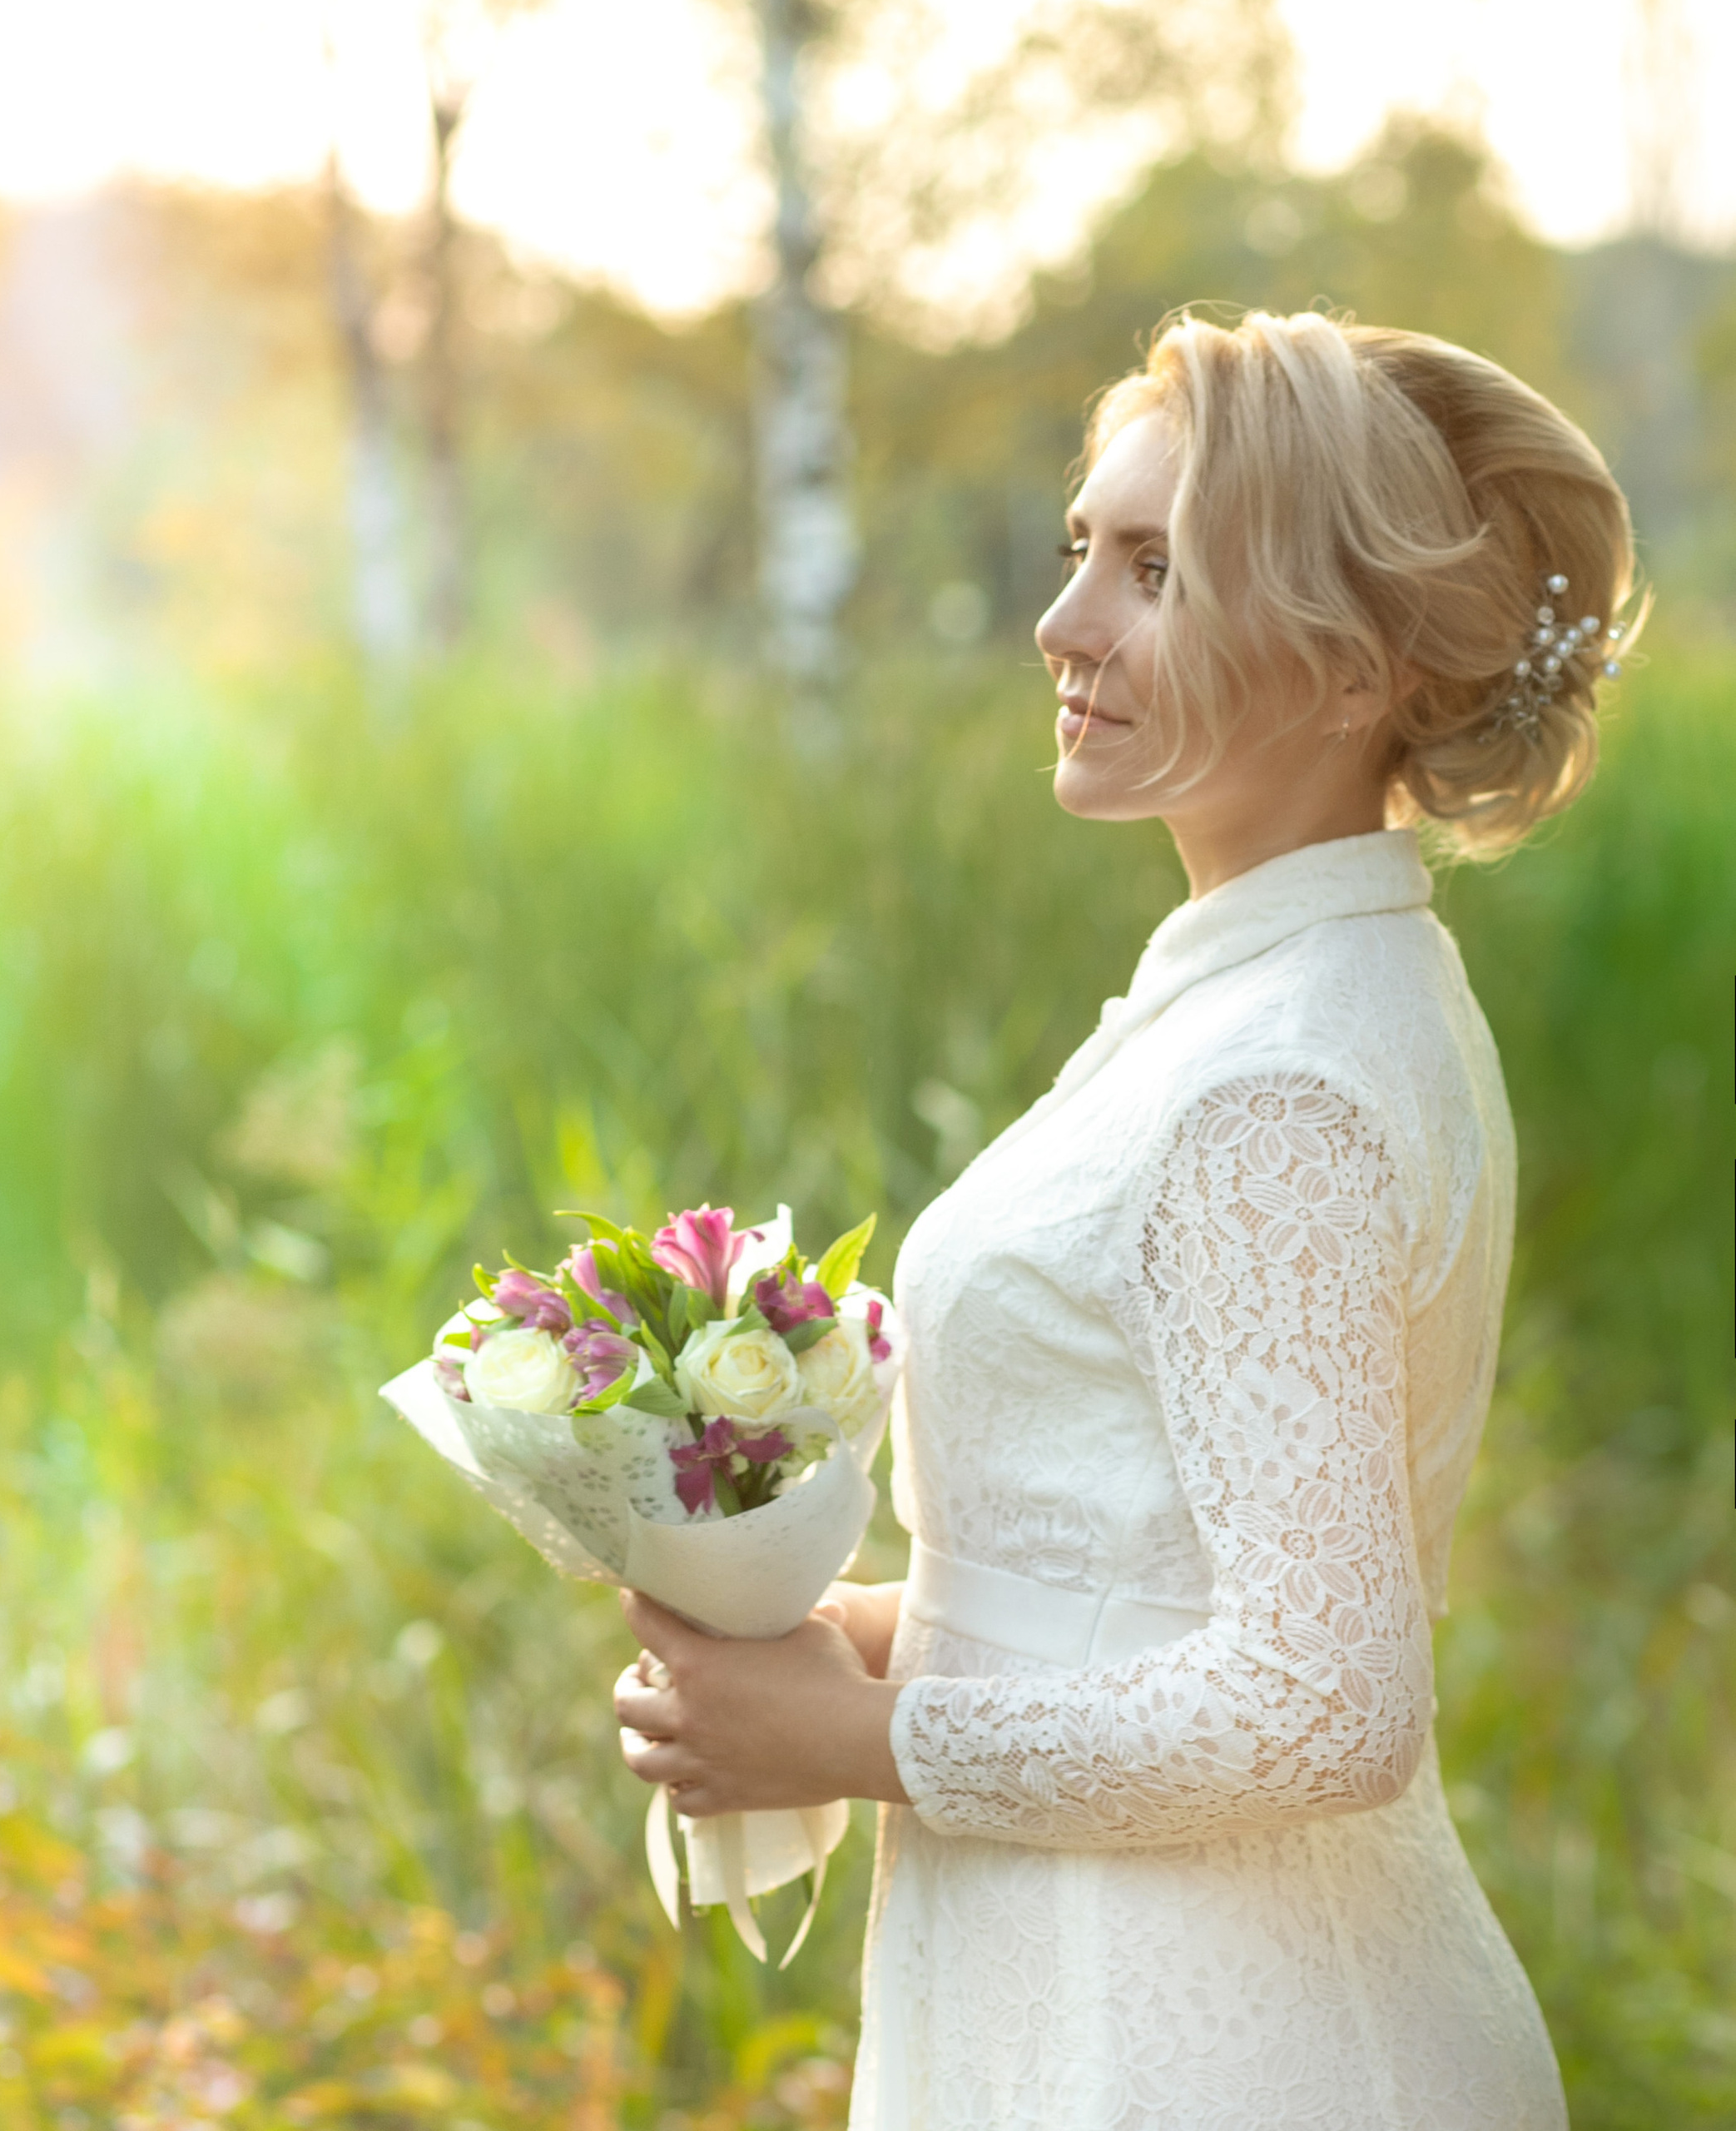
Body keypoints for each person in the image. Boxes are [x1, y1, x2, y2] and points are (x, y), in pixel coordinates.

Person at [612, 309, 1638, 2129]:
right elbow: (1152, 1559)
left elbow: (1324, 1697)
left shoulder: (1275, 1085)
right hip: (1103, 1994)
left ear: (1352, 668)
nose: (1063, 621)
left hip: (1219, 2045)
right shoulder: (1274, 999)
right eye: (1084, 546)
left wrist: (862, 1734)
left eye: (1155, 570)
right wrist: (860, 1631)